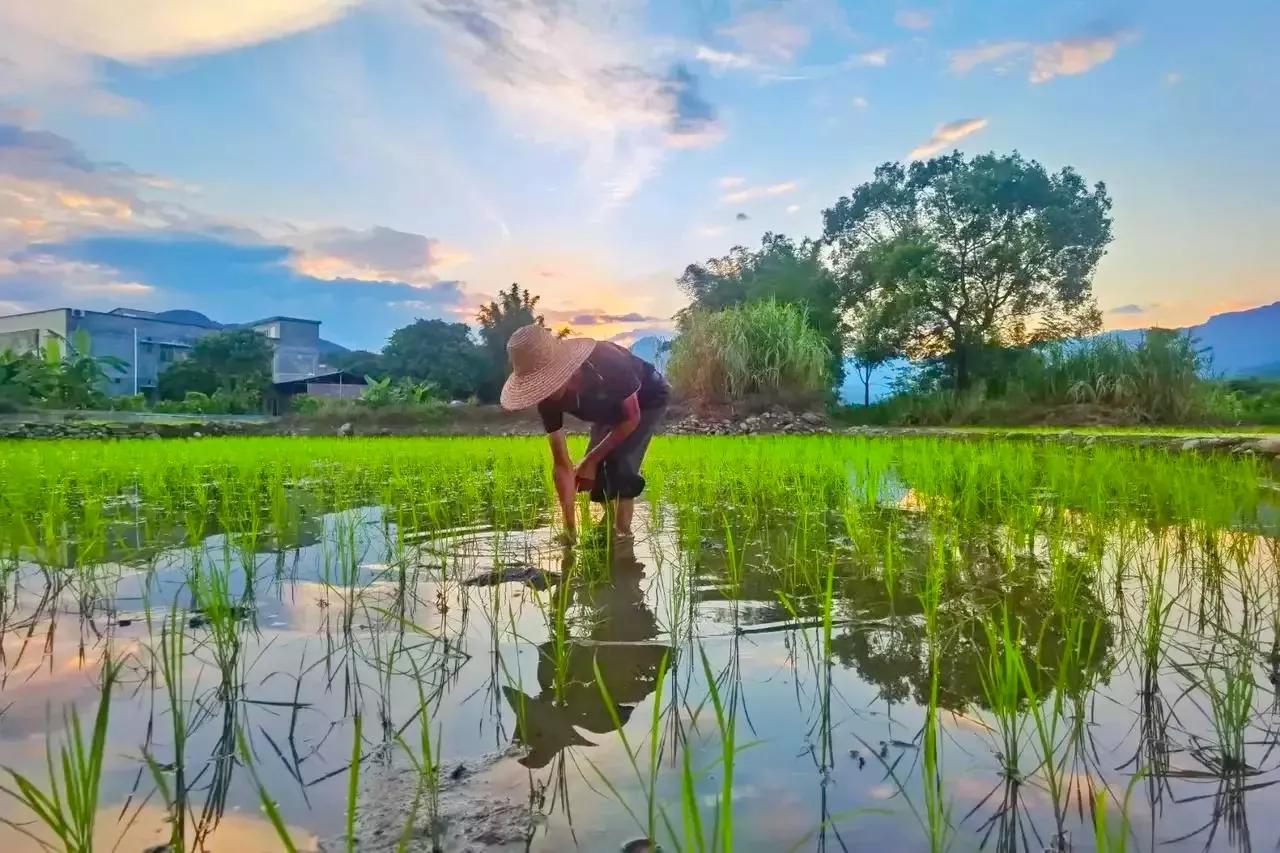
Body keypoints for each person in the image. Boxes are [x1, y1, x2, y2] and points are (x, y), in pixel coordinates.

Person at [500, 323, 669, 538]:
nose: (545, 392)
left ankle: (622, 537)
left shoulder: (606, 361)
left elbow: (631, 417)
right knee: (596, 477)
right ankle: (609, 527)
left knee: (620, 463)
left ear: (564, 369)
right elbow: (562, 464)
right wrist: (569, 529)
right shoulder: (547, 401)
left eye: (547, 382)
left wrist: (590, 460)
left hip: (646, 399)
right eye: (538, 385)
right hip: (608, 410)